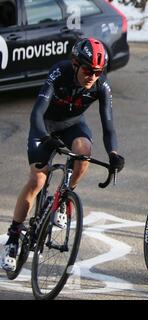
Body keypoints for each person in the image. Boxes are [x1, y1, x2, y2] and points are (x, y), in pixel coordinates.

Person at [2, 38, 125, 272]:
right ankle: (14, 237)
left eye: (98, 72)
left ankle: (64, 197)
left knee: (84, 152)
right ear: (76, 64)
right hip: (45, 125)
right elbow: (37, 113)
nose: (93, 76)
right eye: (88, 70)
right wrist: (45, 138)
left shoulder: (101, 85)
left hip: (72, 125)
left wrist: (114, 154)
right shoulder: (59, 71)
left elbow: (108, 126)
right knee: (37, 179)